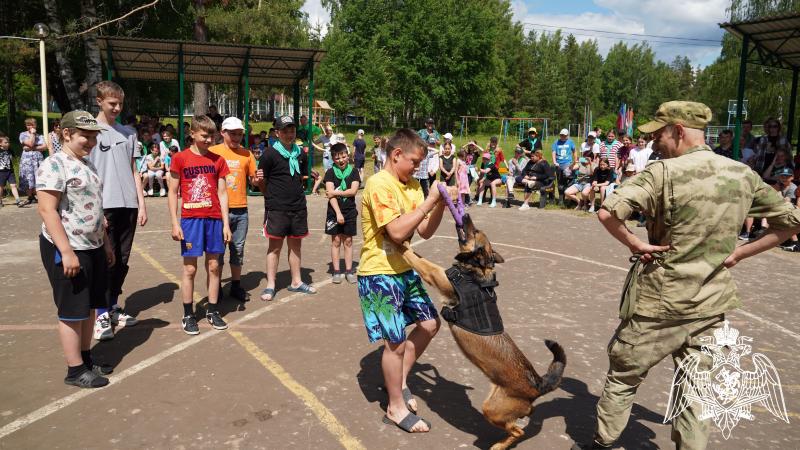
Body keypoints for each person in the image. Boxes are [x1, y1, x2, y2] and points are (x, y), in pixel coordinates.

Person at [573, 101, 800, 450]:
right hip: (708, 304)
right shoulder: (741, 174)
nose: (655, 143)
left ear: (678, 130)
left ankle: (601, 444)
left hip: (657, 304)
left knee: (624, 375)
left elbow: (608, 212)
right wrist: (741, 252)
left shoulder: (662, 172)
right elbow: (790, 223)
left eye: (659, 134)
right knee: (698, 387)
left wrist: (636, 243)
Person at [358, 128, 448, 434]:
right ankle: (395, 407)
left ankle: (399, 380)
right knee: (394, 343)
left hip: (403, 268)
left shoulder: (411, 187)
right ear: (396, 155)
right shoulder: (378, 184)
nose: (418, 168)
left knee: (429, 324)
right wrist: (429, 201)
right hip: (378, 273)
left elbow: (424, 231)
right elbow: (396, 232)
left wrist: (441, 204)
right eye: (414, 161)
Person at [36, 110, 114, 388]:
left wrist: (105, 243)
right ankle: (74, 370)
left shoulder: (87, 164)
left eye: (94, 137)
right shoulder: (55, 165)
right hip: (68, 247)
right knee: (72, 309)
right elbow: (47, 210)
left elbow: (96, 209)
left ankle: (85, 358)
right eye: (86, 136)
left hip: (92, 246)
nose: (91, 142)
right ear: (66, 134)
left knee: (90, 306)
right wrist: (66, 252)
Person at [88, 81, 147, 341]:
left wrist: (141, 203)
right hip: (104, 206)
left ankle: (112, 306)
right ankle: (99, 313)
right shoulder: (89, 132)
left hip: (129, 205)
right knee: (104, 261)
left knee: (121, 260)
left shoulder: (129, 132)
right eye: (112, 103)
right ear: (99, 101)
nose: (117, 108)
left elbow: (134, 171)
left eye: (120, 104)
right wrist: (96, 209)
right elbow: (87, 173)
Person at [168, 115, 231, 334]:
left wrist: (226, 224)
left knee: (214, 266)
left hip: (214, 220)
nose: (208, 140)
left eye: (211, 136)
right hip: (191, 221)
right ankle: (188, 314)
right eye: (204, 136)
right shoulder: (180, 158)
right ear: (192, 134)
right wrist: (175, 223)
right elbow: (172, 192)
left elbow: (222, 193)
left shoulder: (218, 160)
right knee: (190, 268)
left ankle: (212, 310)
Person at [257, 115, 316, 301]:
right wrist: (271, 197)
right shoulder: (269, 154)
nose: (289, 134)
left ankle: (296, 282)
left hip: (298, 207)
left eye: (292, 130)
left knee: (296, 245)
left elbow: (302, 177)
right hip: (277, 208)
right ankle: (270, 285)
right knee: (274, 247)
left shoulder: (301, 153)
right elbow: (262, 182)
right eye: (285, 130)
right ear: (277, 133)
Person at [210, 117, 260, 302]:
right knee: (218, 251)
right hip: (217, 211)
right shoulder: (213, 152)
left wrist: (258, 179)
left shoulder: (247, 155)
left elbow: (253, 181)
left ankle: (236, 285)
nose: (237, 137)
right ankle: (216, 288)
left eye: (239, 134)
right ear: (222, 133)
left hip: (240, 210)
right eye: (233, 134)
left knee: (238, 249)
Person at [324, 143, 361, 283]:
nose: (341, 160)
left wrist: (334, 192)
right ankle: (337, 271)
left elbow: (353, 191)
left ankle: (349, 271)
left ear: (348, 156)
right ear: (333, 159)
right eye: (337, 158)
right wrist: (338, 213)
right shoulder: (330, 172)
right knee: (336, 241)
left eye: (344, 156)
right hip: (334, 212)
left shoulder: (354, 172)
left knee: (349, 241)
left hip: (350, 211)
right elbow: (330, 196)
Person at [18, 118, 47, 206]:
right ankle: (30, 196)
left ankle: (38, 195)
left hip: (38, 159)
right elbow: (30, 143)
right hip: (27, 160)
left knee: (38, 176)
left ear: (35, 125)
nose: (30, 126)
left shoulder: (40, 136)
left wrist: (32, 148)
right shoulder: (22, 134)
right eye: (28, 125)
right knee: (28, 176)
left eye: (32, 124)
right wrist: (33, 134)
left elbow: (45, 147)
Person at [552, 129, 577, 206]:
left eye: (564, 135)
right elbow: (554, 152)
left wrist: (575, 161)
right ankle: (561, 199)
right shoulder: (556, 142)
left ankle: (572, 200)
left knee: (570, 182)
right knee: (560, 183)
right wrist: (554, 161)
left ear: (567, 135)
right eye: (561, 135)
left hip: (568, 165)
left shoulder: (570, 142)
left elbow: (574, 151)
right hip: (559, 165)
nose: (562, 136)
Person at [0, 133, 22, 206]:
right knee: (1, 187)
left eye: (8, 142)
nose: (8, 144)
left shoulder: (10, 150)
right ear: (0, 144)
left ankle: (18, 200)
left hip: (10, 171)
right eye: (5, 142)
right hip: (1, 172)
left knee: (13, 185)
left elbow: (13, 158)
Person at [311, 125, 334, 194]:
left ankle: (333, 186)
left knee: (333, 170)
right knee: (327, 171)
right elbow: (315, 143)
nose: (330, 133)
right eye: (328, 132)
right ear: (326, 132)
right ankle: (328, 187)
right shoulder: (322, 137)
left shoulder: (334, 137)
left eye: (331, 131)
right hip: (326, 156)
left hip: (333, 156)